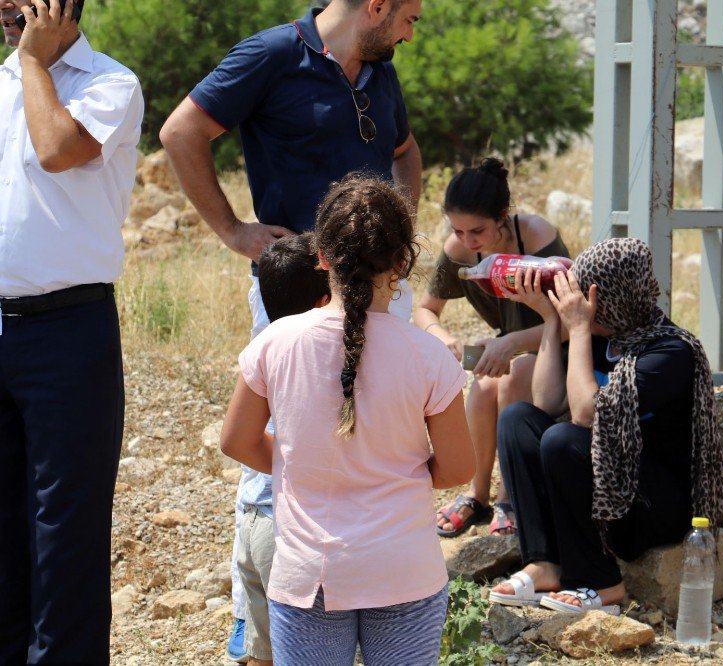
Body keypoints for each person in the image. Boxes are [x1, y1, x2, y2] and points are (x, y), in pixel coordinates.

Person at [159, 1, 423, 653]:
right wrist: (232, 230)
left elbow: (405, 152)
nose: (412, 33)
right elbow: (180, 132)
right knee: (278, 455)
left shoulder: (379, 68)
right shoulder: (271, 55)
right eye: (410, 17)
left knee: (377, 446)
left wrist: (401, 227)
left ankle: (361, 614)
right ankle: (261, 622)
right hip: (297, 292)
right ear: (376, 6)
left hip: (383, 290)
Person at [220, 175, 475, 665]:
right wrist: (395, 468)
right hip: (405, 571)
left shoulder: (275, 343)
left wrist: (295, 464)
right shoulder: (430, 357)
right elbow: (459, 469)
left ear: (321, 257)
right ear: (402, 262)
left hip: (308, 574)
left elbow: (236, 440)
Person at [0, 0, 144, 662]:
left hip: (68, 332)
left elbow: (58, 149)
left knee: (65, 533)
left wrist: (34, 59)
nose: (7, 7)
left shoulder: (110, 83)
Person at [486, 237, 723, 614]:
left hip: (650, 507)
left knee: (564, 440)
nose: (578, 306)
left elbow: (584, 416)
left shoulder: (670, 351)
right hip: (608, 492)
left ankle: (601, 582)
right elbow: (547, 402)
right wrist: (552, 322)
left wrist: (580, 330)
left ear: (613, 297)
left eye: (585, 296)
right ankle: (546, 564)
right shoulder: (605, 337)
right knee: (518, 420)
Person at [414, 158, 569, 538]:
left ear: (503, 216)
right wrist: (442, 336)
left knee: (512, 376)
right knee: (483, 387)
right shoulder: (460, 249)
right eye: (458, 230)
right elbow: (424, 309)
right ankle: (477, 493)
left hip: (558, 347)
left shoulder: (535, 235)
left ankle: (509, 496)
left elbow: (570, 319)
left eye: (477, 230)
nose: (468, 241)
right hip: (509, 346)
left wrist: (511, 342)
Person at [236, 233, 332, 666]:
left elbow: (234, 440)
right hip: (291, 530)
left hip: (253, 518)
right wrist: (291, 465)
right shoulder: (320, 358)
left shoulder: (261, 350)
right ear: (323, 301)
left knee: (262, 652)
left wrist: (276, 463)